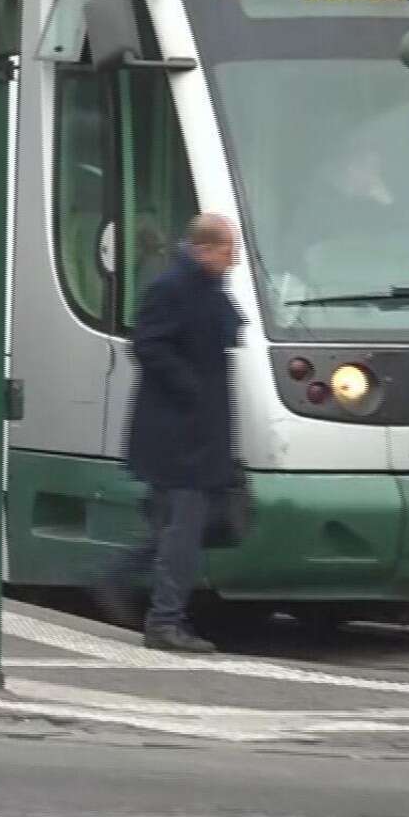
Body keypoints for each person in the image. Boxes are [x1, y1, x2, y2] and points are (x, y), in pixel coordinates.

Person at [103, 214, 242, 654]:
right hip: (179, 438)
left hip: (199, 435)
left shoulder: (207, 285)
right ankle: (163, 621)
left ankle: (118, 578)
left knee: (182, 528)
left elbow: (228, 329)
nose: (234, 258)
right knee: (182, 530)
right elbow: (148, 344)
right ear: (205, 248)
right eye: (228, 250)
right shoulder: (172, 287)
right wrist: (192, 390)